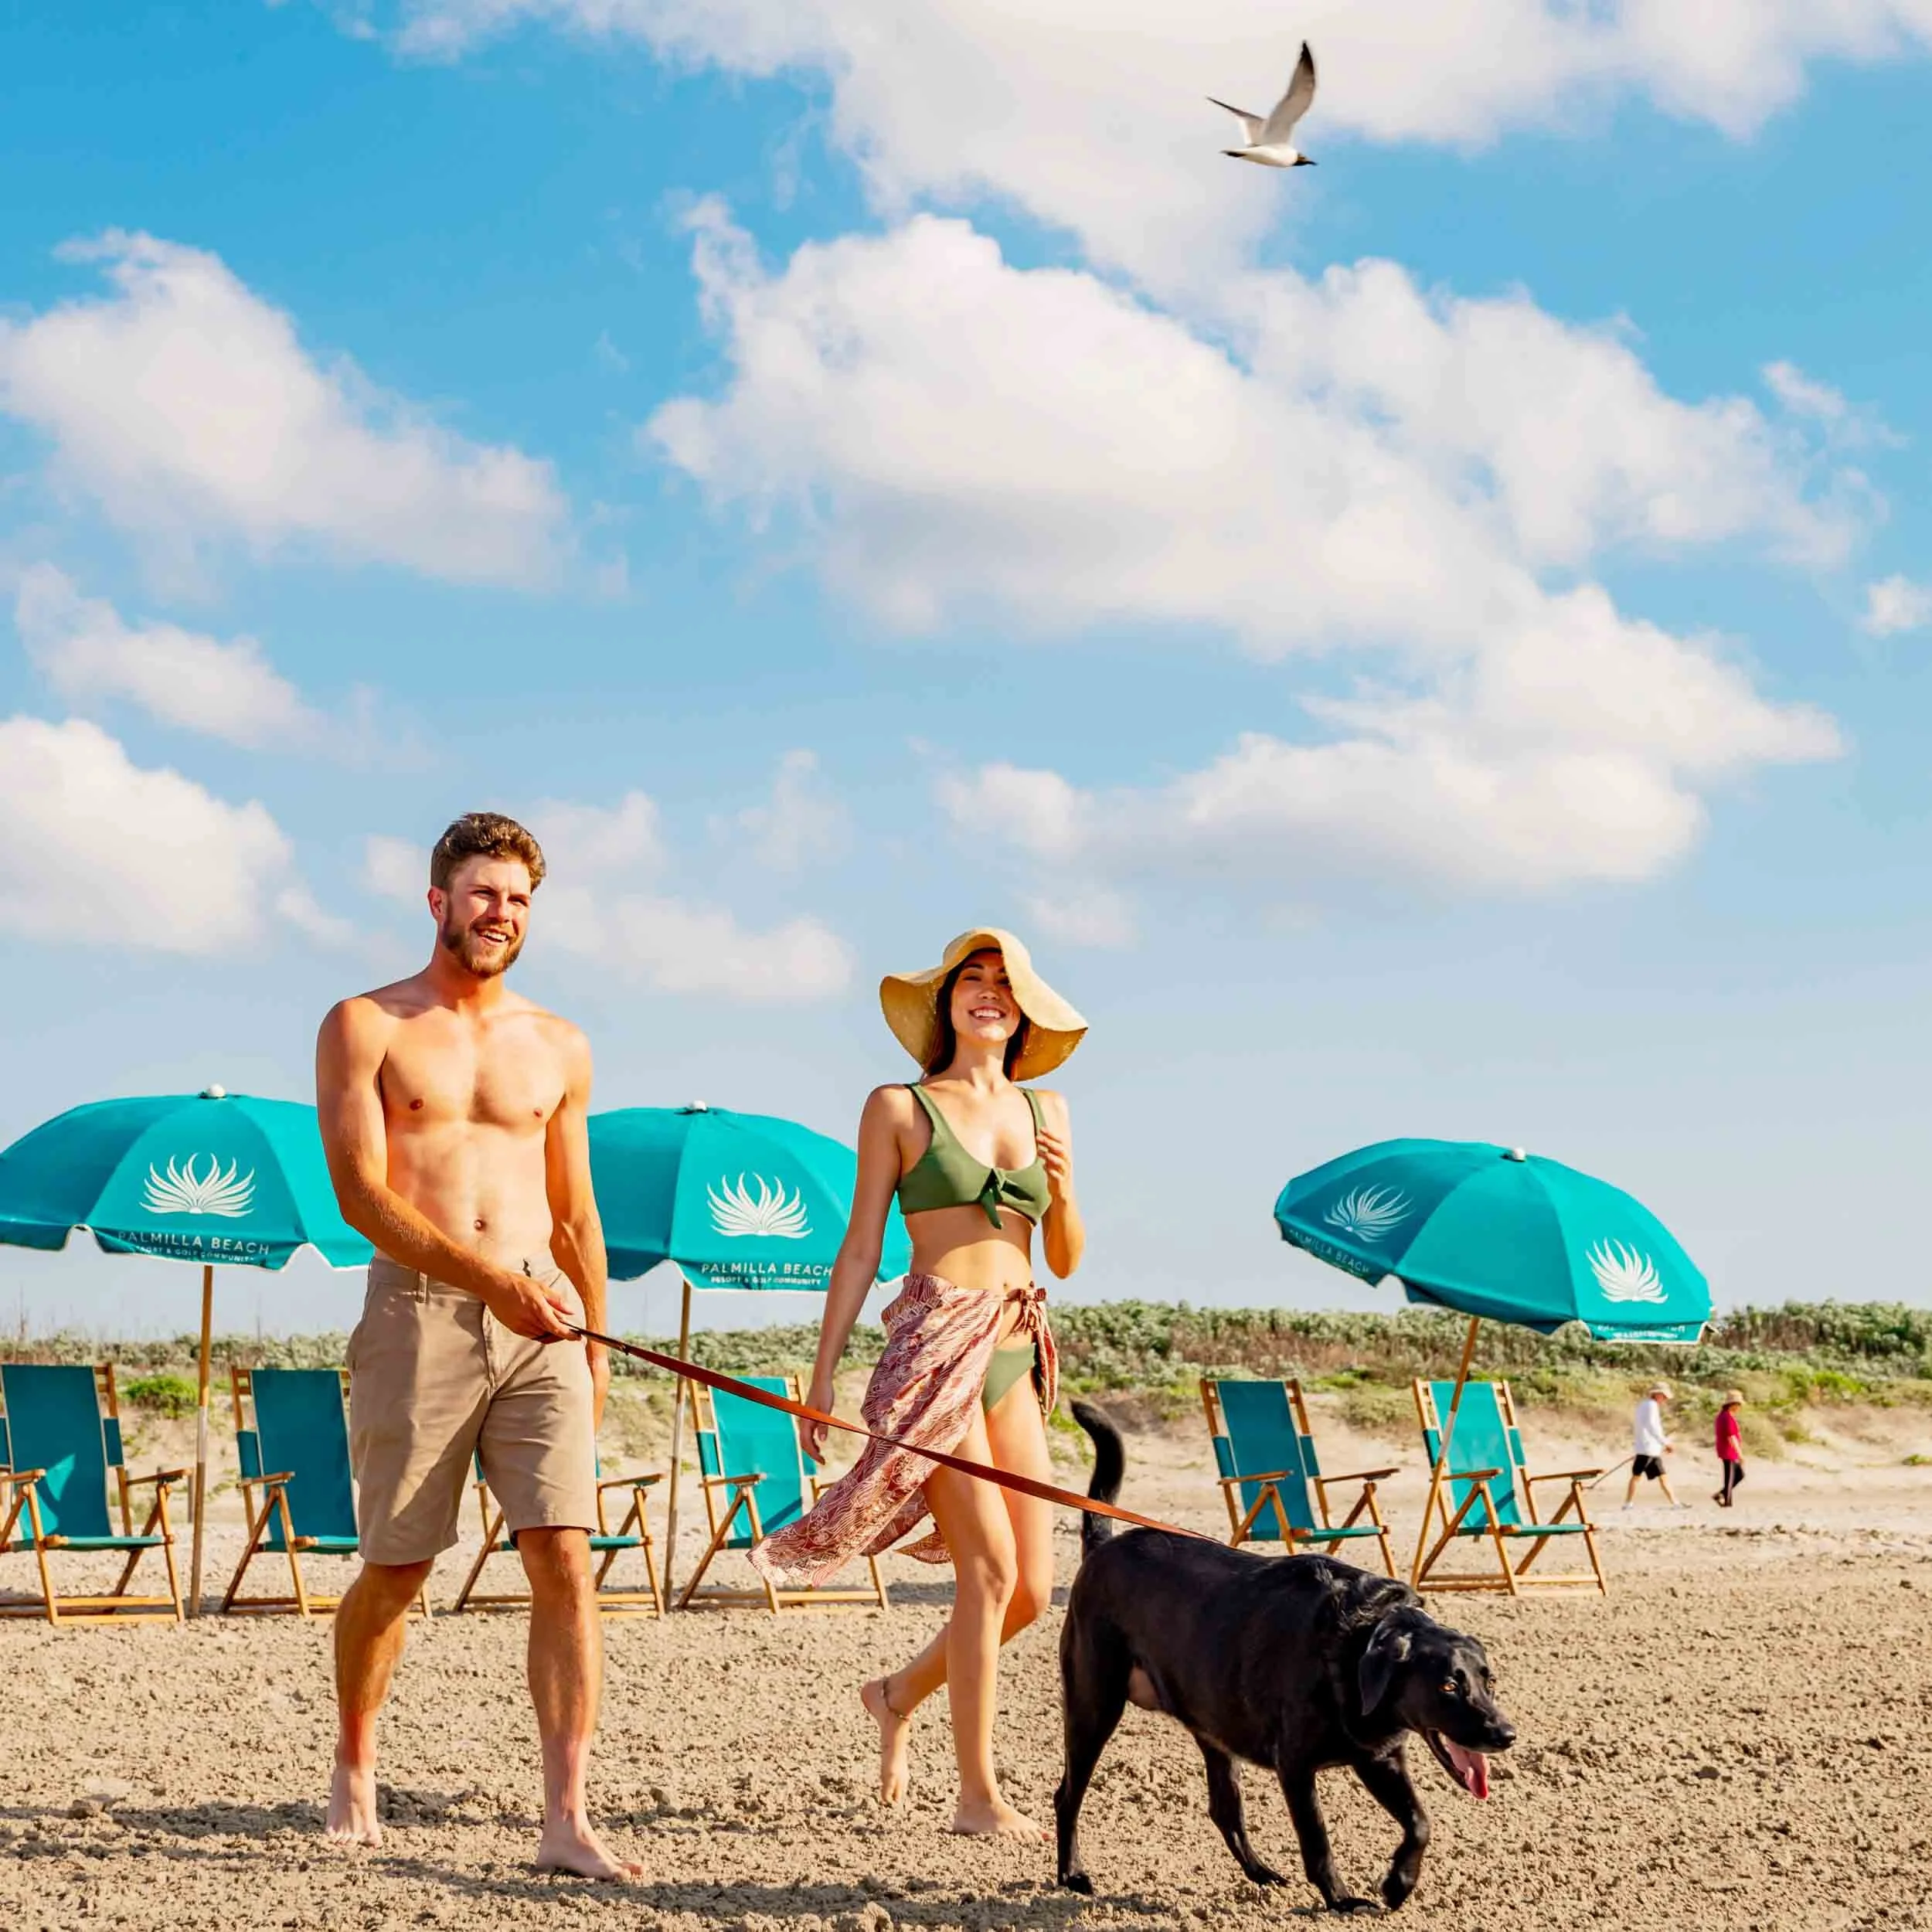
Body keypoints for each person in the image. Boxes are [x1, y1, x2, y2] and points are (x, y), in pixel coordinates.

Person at [314, 812, 638, 1880]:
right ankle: (356, 1760)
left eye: (521, 901)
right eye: (485, 894)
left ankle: (566, 1817)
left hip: (546, 1318)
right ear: (439, 900)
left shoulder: (561, 1043)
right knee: (399, 1567)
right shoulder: (366, 1024)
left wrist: (594, 1333)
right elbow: (362, 1196)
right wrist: (492, 1282)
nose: (503, 915)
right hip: (422, 1312)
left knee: (565, 1560)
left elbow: (578, 1211)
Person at [751, 927, 1088, 1841]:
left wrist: (1065, 1190)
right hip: (931, 1346)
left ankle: (894, 1694)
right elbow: (861, 1244)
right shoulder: (898, 1106)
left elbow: (1065, 1254)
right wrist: (823, 1376)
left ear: (1023, 1009)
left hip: (1014, 1344)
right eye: (971, 980)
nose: (987, 994)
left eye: (1003, 983)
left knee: (1029, 1592)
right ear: (946, 1002)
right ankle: (977, 1797)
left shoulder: (1047, 1109)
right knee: (985, 1568)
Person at [1624, 1382, 1680, 1508]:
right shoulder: (1651, 1406)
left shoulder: (1644, 1405)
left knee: (1663, 1476)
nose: (1665, 1399)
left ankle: (1675, 1503)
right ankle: (1628, 1503)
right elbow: (1652, 1427)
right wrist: (1666, 1443)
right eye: (1664, 1396)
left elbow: (1648, 1427)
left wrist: (1662, 1443)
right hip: (1647, 1449)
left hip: (1649, 1448)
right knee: (1637, 1477)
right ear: (1657, 1394)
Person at [1713, 1390, 1746, 1507]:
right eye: (1738, 1405)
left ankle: (1721, 1495)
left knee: (1739, 1475)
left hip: (1726, 1450)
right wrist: (1740, 1454)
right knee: (1730, 1476)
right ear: (1733, 1404)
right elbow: (1731, 1437)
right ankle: (1728, 1501)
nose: (1739, 1407)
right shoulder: (1727, 1417)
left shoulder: (1723, 1416)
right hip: (1728, 1451)